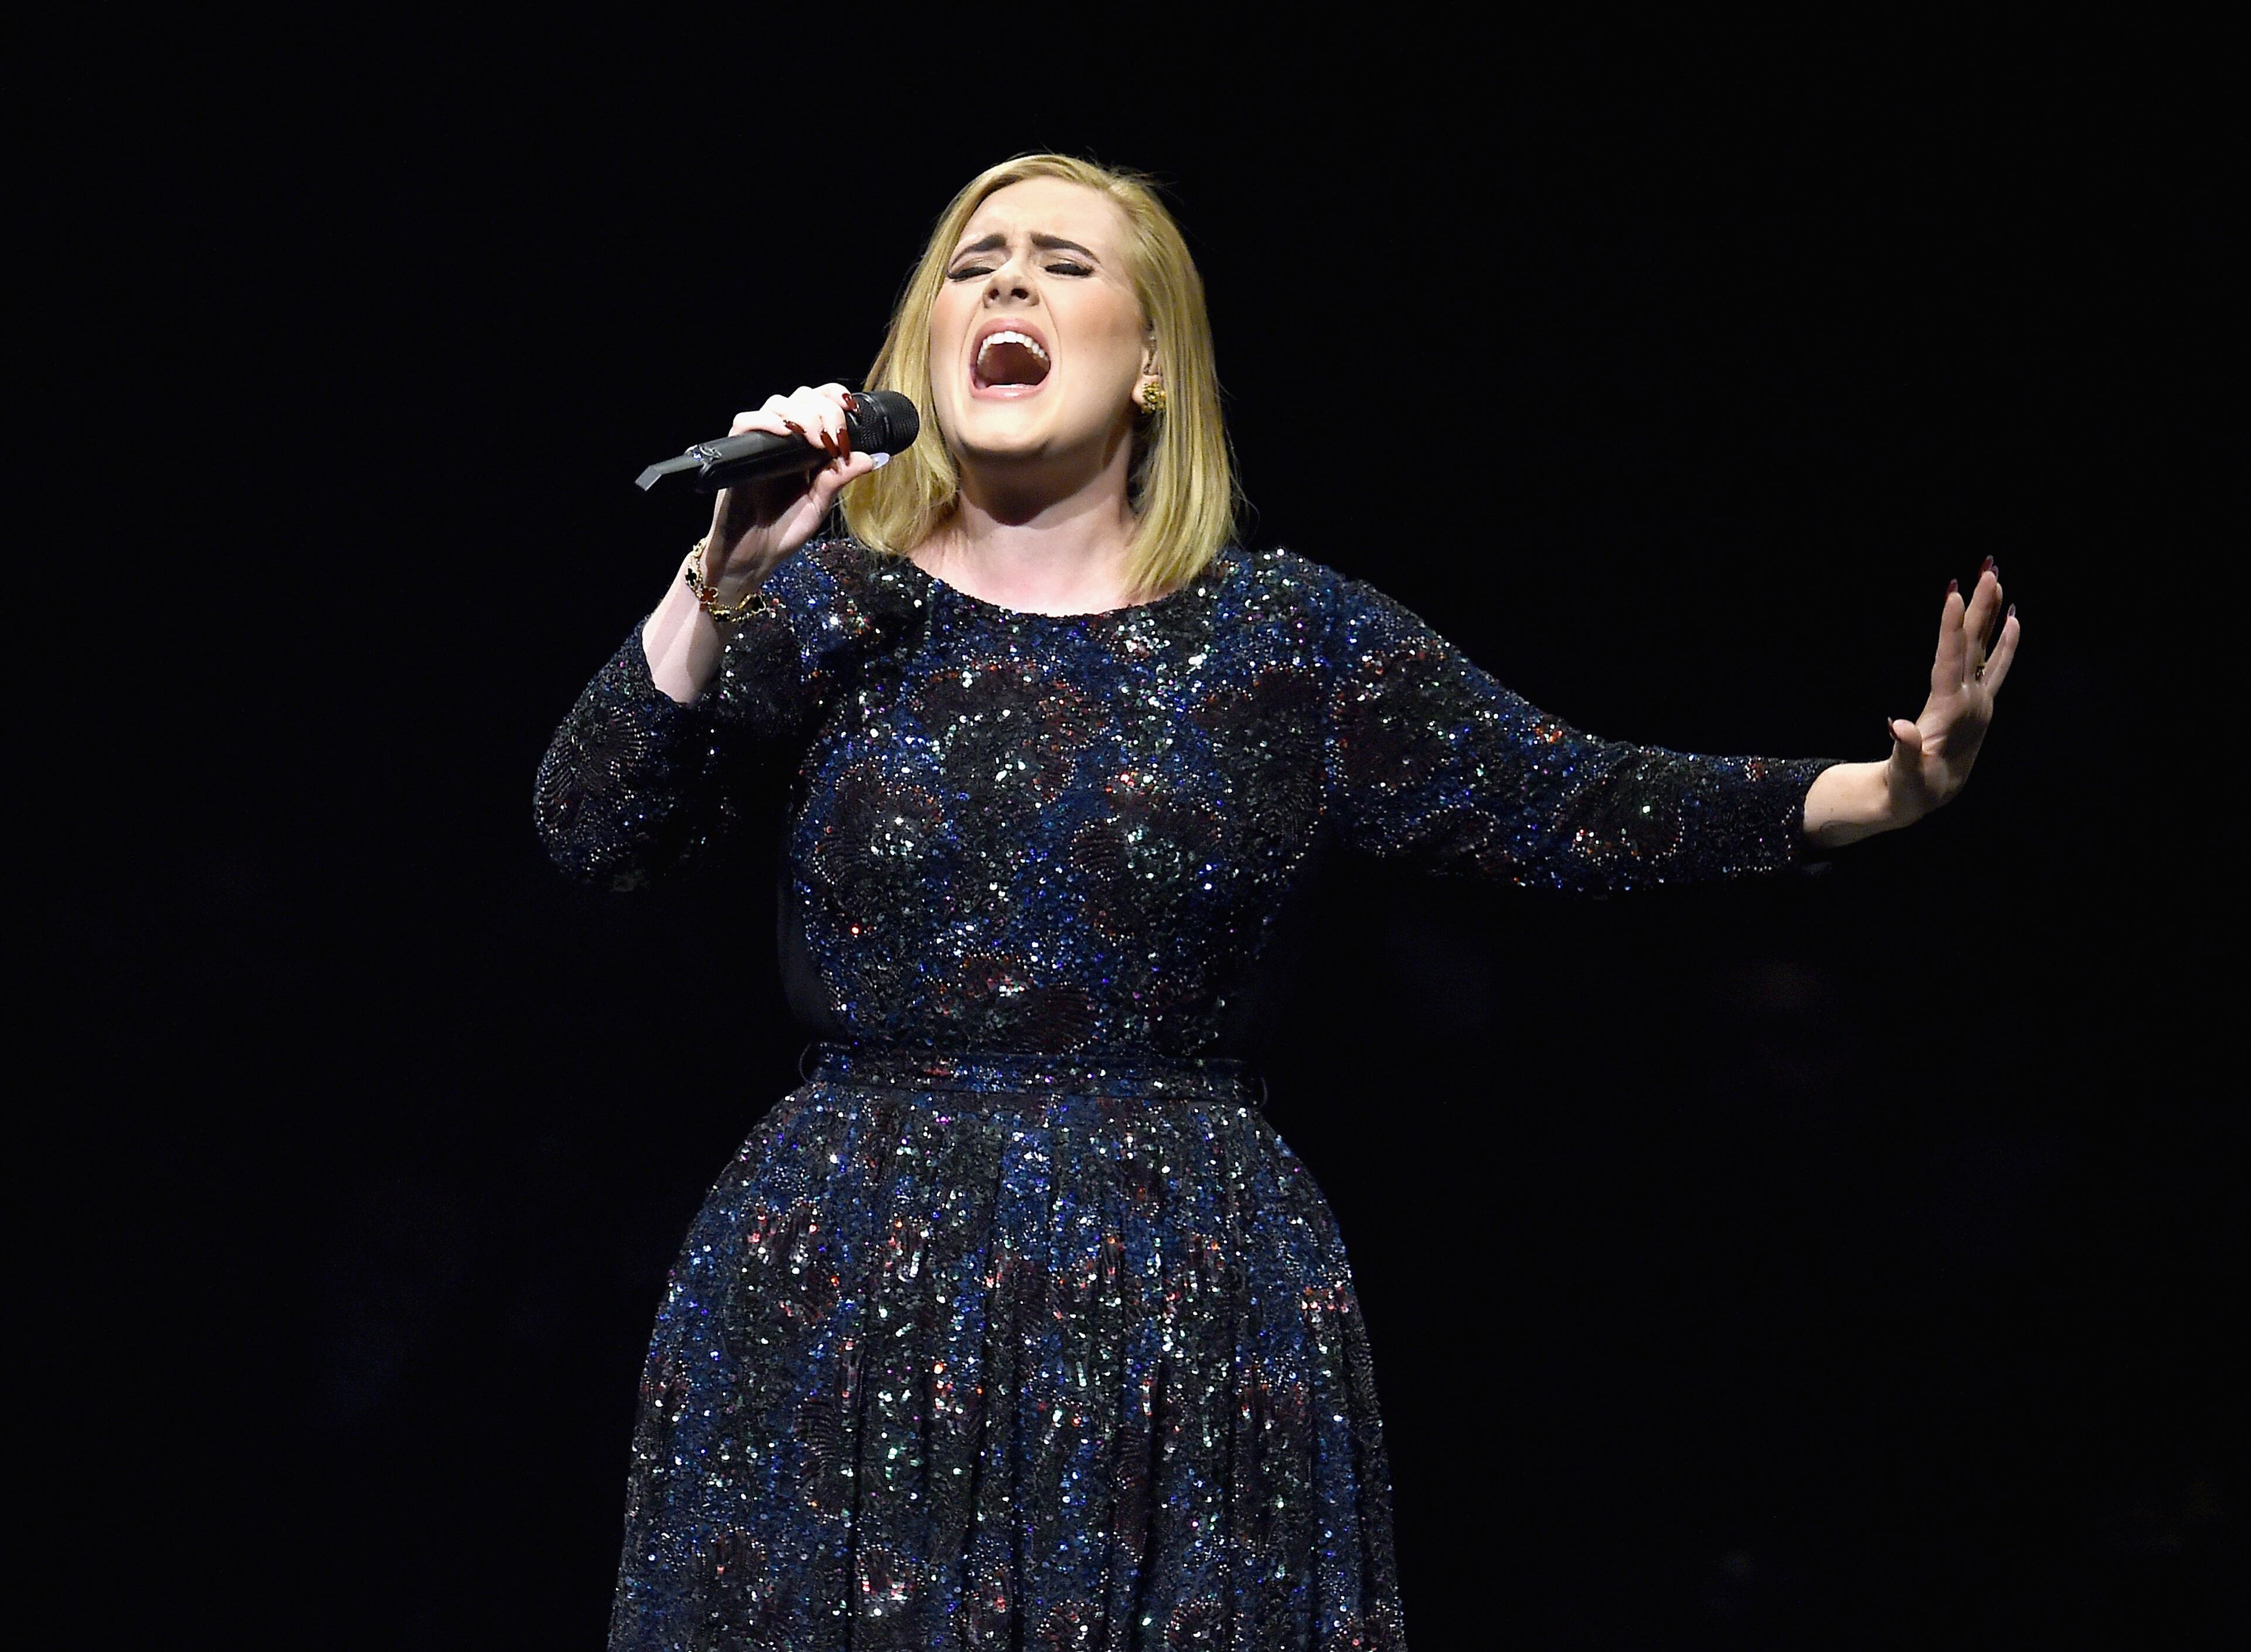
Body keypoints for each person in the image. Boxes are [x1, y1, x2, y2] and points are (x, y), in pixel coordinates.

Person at [536, 153, 2018, 1651]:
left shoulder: (1284, 638)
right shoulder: (825, 605)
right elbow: (594, 832)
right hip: (850, 1261)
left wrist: (1874, 793)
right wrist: (715, 580)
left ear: (1157, 362)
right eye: (976, 264)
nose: (1008, 285)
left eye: (1063, 262)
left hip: (1182, 1278)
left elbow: (1562, 796)